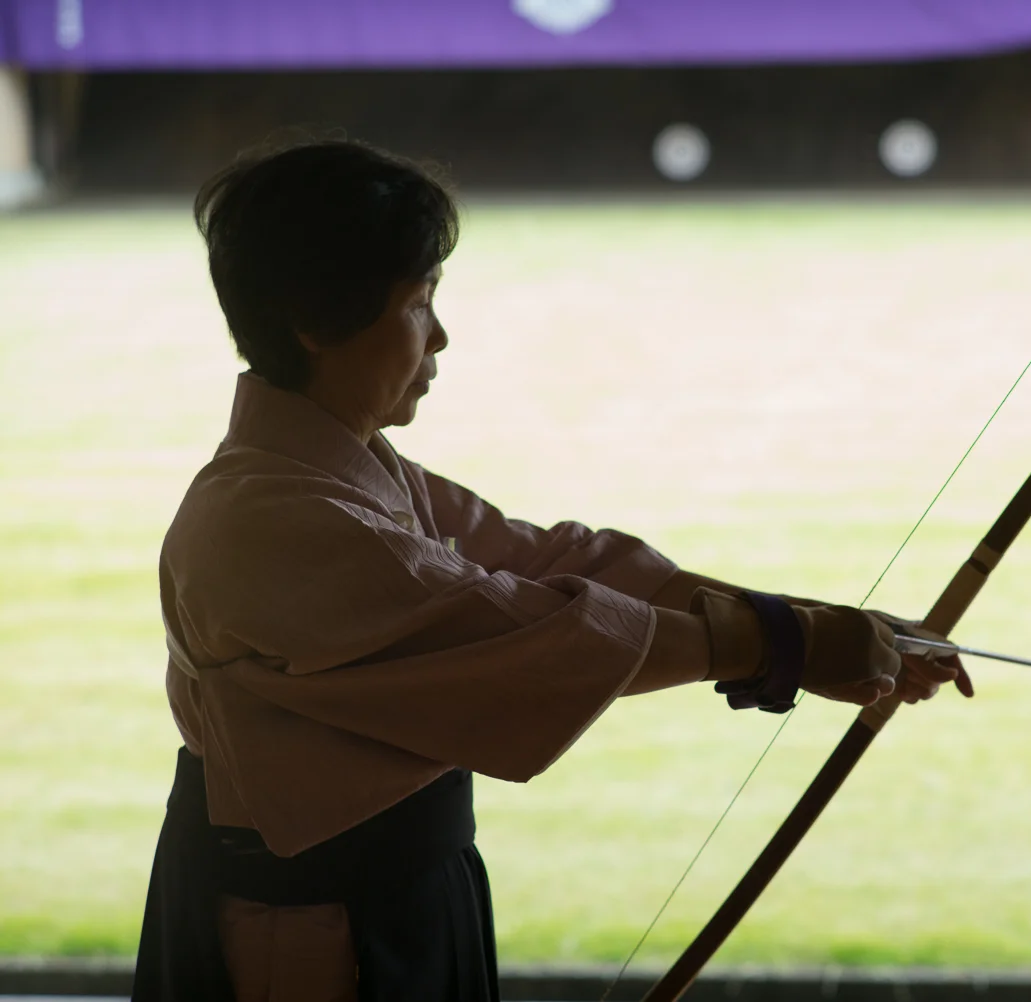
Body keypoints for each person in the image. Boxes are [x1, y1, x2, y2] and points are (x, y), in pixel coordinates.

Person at [131, 140, 970, 1002]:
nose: (442, 336)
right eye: (420, 303)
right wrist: (782, 643)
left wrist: (819, 625)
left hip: (391, 896)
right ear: (315, 321)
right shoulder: (271, 519)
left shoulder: (339, 470)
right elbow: (535, 635)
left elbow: (555, 560)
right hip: (303, 939)